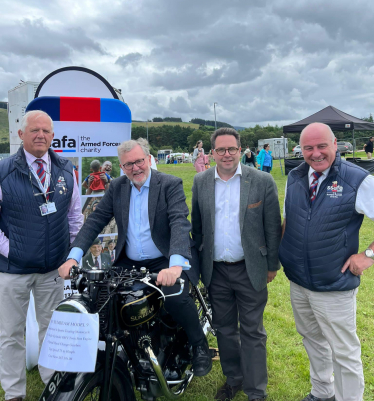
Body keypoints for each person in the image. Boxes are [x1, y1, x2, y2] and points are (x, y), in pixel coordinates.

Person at [59, 138, 212, 377]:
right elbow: (95, 222)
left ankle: (198, 344)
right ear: (122, 167)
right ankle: (127, 350)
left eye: (139, 161)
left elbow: (179, 222)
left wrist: (174, 267)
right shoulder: (117, 187)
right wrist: (73, 256)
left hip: (165, 257)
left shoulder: (169, 183)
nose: (135, 168)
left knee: (174, 297)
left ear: (148, 159)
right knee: (105, 299)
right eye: (128, 164)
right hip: (129, 262)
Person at [279, 122, 374, 401]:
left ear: (336, 144)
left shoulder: (357, 179)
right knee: (313, 340)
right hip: (298, 281)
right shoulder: (295, 176)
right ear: (301, 149)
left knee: (344, 352)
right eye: (308, 147)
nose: (316, 153)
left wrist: (368, 255)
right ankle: (322, 393)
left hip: (334, 283)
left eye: (322, 146)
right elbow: (289, 221)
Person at [191, 128, 282, 401]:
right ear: (212, 153)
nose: (227, 154)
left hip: (250, 268)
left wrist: (272, 266)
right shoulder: (201, 181)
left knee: (253, 331)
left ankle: (256, 391)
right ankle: (234, 379)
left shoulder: (262, 181)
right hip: (216, 271)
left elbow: (272, 227)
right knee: (225, 329)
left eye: (232, 149)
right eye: (221, 150)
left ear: (241, 149)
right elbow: (197, 227)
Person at [0, 110, 83, 401]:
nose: (41, 136)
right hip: (12, 271)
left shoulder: (65, 169)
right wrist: (13, 251)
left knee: (52, 329)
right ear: (21, 135)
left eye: (46, 131)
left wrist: (71, 255)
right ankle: (14, 394)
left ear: (52, 135)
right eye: (34, 130)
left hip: (52, 270)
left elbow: (75, 218)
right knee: (11, 334)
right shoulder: (3, 170)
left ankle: (54, 386)